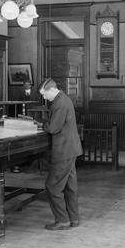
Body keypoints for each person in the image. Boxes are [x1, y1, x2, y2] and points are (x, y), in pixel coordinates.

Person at [38, 78, 83, 230]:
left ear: (51, 90)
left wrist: (42, 124)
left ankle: (62, 220)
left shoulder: (59, 103)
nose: (44, 98)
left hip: (64, 150)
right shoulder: (64, 99)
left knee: (52, 186)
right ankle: (73, 219)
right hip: (71, 149)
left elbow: (53, 128)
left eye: (44, 95)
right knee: (70, 186)